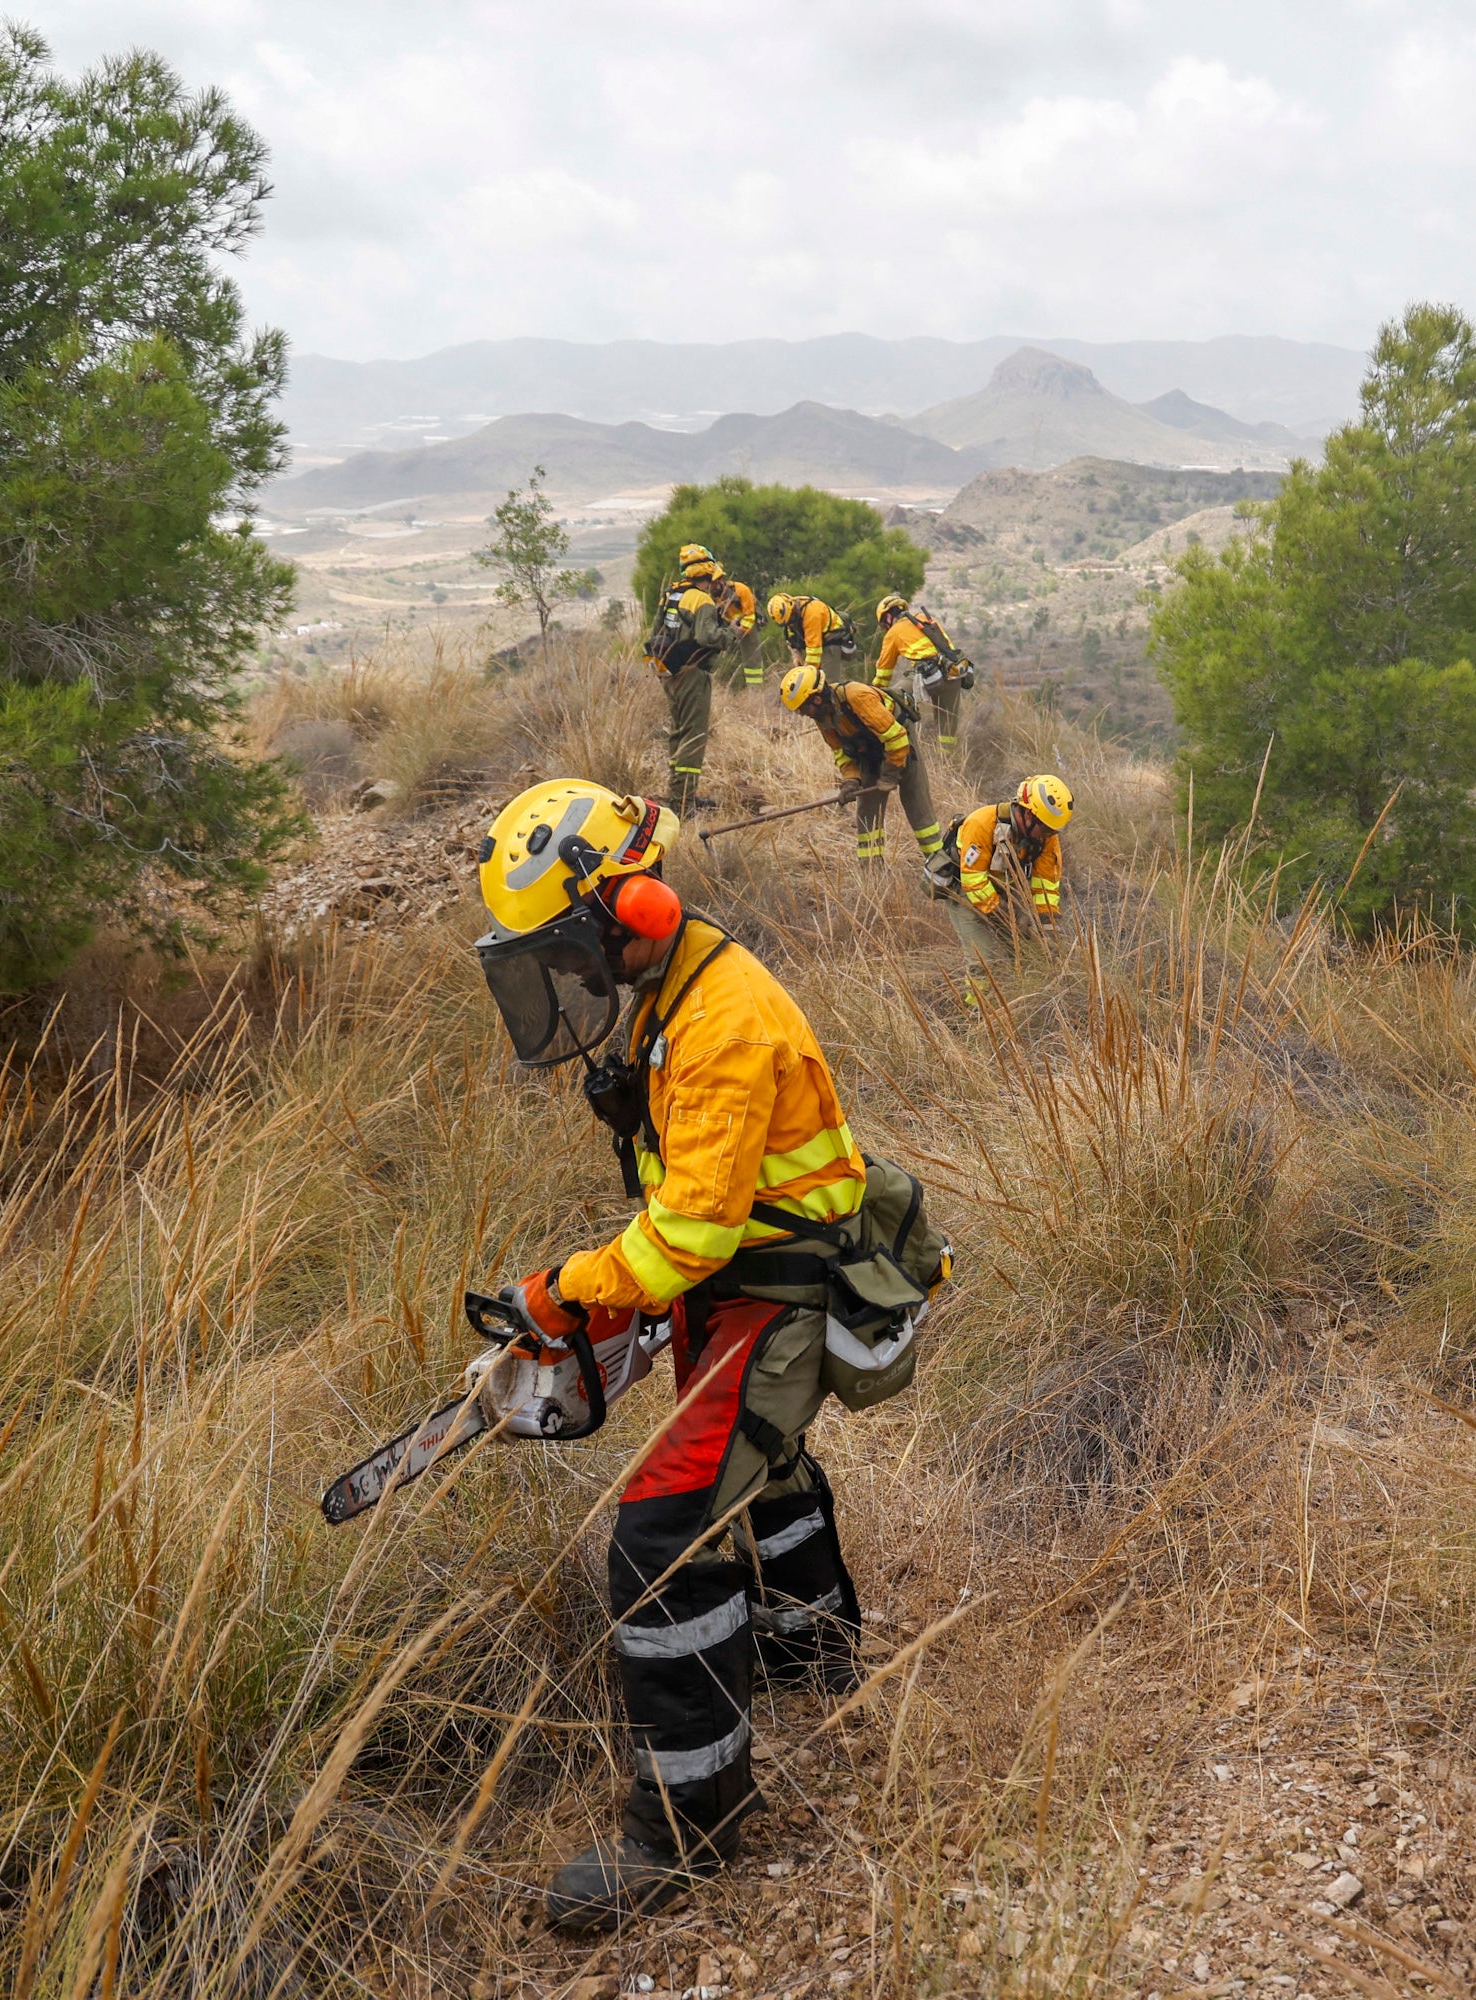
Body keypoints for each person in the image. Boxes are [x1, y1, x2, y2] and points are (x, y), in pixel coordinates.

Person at [466, 779, 884, 1931]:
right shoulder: (670, 983)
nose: (570, 973)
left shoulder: (720, 1019)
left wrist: (569, 1290)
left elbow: (689, 1232)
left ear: (628, 907)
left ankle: (683, 1829)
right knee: (771, 1465)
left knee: (660, 1532)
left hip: (775, 1289)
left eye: (569, 944)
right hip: (743, 1275)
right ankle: (815, 1651)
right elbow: (693, 1212)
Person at [778, 663, 944, 867]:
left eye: (803, 708)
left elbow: (897, 739)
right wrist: (850, 781)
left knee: (916, 801)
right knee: (867, 809)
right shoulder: (822, 717)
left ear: (817, 698)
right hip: (869, 751)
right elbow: (840, 752)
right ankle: (871, 869)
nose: (803, 714)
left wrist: (890, 775)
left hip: (900, 741)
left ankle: (941, 867)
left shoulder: (857, 696)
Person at [942, 774, 1071, 995]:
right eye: (1047, 829)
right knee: (983, 961)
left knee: (1026, 952)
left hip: (1003, 891)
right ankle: (976, 1015)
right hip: (965, 891)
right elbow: (973, 880)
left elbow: (1046, 885)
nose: (1050, 835)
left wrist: (1048, 927)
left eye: (1053, 831)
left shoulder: (1046, 836)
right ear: (1029, 815)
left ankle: (1022, 999)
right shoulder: (981, 823)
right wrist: (1009, 916)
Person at [642, 546, 743, 808]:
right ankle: (683, 802)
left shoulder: (671, 595)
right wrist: (731, 633)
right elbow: (706, 637)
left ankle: (678, 793)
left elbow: (655, 632)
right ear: (708, 572)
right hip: (692, 674)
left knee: (678, 732)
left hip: (668, 672)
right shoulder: (701, 600)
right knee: (694, 736)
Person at [873, 594, 974, 755]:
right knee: (947, 729)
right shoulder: (927, 619)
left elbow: (884, 671)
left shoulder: (893, 633)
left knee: (894, 699)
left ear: (888, 617)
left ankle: (898, 747)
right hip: (952, 672)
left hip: (928, 677)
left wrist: (875, 694)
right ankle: (948, 764)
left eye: (884, 624)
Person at [765, 592, 856, 682]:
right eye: (788, 622)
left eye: (791, 619)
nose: (791, 623)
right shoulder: (790, 616)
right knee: (813, 686)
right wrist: (796, 655)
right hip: (816, 643)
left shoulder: (812, 613)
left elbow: (814, 651)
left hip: (831, 642)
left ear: (792, 607)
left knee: (828, 685)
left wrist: (805, 676)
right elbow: (791, 638)